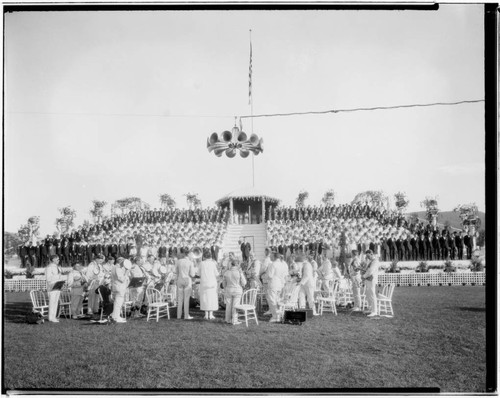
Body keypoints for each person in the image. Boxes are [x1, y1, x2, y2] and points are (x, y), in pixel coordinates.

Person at [266, 252, 289, 323]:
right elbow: (285, 275)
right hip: (280, 284)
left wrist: (266, 274)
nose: (270, 257)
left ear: (274, 257)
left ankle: (275, 316)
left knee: (272, 300)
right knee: (277, 300)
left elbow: (270, 275)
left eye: (271, 256)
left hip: (273, 284)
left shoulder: (272, 264)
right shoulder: (282, 264)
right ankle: (278, 315)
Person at [222, 259, 246, 325]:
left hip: (229, 290)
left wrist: (226, 287)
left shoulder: (226, 272)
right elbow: (244, 282)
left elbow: (223, 284)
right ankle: (234, 320)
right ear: (237, 265)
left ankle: (227, 319)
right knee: (235, 305)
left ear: (231, 264)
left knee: (228, 305)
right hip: (237, 290)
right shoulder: (239, 272)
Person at [198, 249, 219, 320]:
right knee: (212, 298)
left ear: (204, 257)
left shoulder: (201, 263)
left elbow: (198, 274)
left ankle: (206, 314)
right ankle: (211, 314)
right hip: (212, 283)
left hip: (204, 283)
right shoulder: (213, 263)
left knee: (205, 298)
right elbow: (217, 274)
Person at [175, 247, 196, 320]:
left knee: (180, 299)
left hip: (180, 280)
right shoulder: (190, 262)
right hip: (187, 280)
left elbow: (176, 272)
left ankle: (178, 315)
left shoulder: (178, 261)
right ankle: (186, 315)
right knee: (186, 299)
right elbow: (193, 274)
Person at [111, 257, 131, 323]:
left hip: (118, 287)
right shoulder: (117, 268)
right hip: (119, 287)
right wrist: (126, 273)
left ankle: (116, 316)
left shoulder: (116, 268)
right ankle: (115, 317)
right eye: (123, 261)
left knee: (118, 303)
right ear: (120, 261)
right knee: (118, 303)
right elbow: (121, 279)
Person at [45, 255, 63, 323]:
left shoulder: (57, 267)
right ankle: (50, 317)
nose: (59, 261)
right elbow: (48, 278)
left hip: (57, 286)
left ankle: (54, 316)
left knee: (56, 302)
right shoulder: (49, 267)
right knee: (52, 302)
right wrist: (57, 277)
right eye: (57, 259)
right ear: (53, 260)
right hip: (52, 287)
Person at [361, 250, 379, 317]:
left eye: (368, 256)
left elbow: (371, 271)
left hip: (372, 280)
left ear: (372, 254)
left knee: (372, 295)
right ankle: (370, 308)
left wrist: (364, 276)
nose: (368, 257)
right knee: (368, 295)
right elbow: (367, 270)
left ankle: (374, 311)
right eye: (367, 256)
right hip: (368, 279)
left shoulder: (375, 261)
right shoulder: (370, 261)